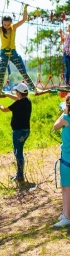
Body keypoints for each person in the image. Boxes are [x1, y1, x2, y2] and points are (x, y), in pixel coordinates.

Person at [0, 5, 49, 96]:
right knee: (2, 71)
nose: (6, 26)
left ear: (11, 23)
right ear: (2, 24)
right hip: (3, 53)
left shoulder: (14, 27)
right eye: (4, 25)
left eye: (8, 25)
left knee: (23, 72)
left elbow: (24, 19)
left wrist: (25, 8)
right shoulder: (1, 29)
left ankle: (35, 89)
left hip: (13, 52)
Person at [0, 82, 32, 183]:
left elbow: (4, 109)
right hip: (26, 131)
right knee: (19, 152)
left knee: (18, 153)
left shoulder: (18, 103)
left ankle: (20, 176)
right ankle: (19, 174)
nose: (15, 93)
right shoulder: (27, 101)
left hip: (18, 132)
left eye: (16, 92)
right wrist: (6, 94)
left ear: (19, 93)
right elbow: (18, 99)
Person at [52, 94, 70, 227]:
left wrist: (64, 113)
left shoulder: (65, 119)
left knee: (66, 188)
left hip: (67, 159)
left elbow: (55, 126)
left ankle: (67, 216)